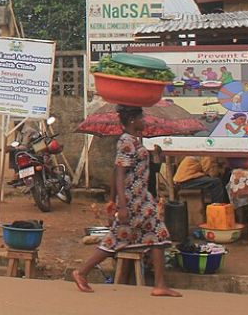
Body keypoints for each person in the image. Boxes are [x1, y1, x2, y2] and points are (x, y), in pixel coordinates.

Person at [73, 106, 181, 297]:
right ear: (132, 120)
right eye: (142, 117)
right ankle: (82, 272)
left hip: (141, 199)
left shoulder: (133, 141)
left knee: (156, 236)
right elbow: (120, 173)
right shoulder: (126, 141)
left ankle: (160, 284)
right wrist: (121, 204)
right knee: (122, 238)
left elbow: (117, 170)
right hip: (133, 201)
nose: (145, 120)